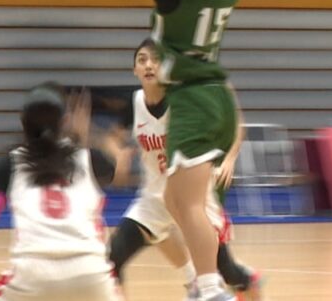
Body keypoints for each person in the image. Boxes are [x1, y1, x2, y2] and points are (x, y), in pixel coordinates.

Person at [87, 0, 271, 301]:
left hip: (193, 101)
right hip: (215, 99)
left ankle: (209, 288)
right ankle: (208, 282)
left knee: (186, 206)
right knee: (174, 201)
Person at [0, 82, 120, 301]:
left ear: (22, 121)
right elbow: (121, 174)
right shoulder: (90, 159)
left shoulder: (9, 165)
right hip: (91, 274)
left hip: (33, 276)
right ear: (64, 121)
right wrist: (83, 138)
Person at [107, 39, 262, 300]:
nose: (149, 65)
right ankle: (195, 283)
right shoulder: (134, 102)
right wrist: (118, 153)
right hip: (154, 198)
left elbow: (233, 119)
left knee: (227, 271)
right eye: (142, 60)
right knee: (111, 260)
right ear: (135, 70)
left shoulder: (184, 100)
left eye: (155, 59)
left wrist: (229, 158)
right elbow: (113, 137)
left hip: (193, 196)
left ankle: (247, 281)